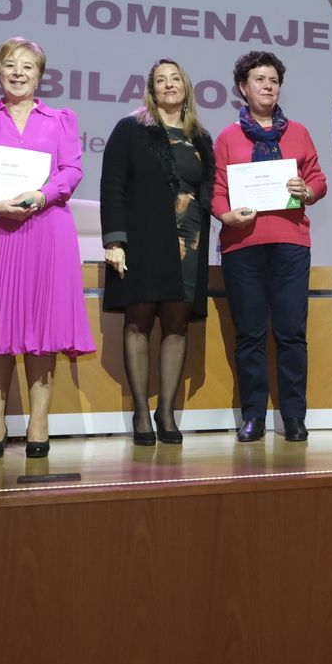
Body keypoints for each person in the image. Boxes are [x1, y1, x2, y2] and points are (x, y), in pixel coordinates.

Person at [0, 38, 94, 459]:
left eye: (28, 66)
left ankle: (39, 421)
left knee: (42, 331)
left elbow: (71, 170)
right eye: (10, 65)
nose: (18, 72)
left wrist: (41, 196)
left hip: (46, 229)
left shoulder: (61, 120)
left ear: (40, 75)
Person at [212, 51, 328, 442]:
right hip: (242, 246)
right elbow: (216, 191)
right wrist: (226, 216)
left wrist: (307, 190)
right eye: (259, 80)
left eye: (273, 80)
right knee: (250, 334)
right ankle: (254, 417)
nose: (267, 86)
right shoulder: (228, 137)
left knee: (292, 333)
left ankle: (294, 417)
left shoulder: (298, 132)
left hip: (291, 243)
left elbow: (318, 180)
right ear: (243, 88)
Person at [100, 59, 215, 446]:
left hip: (190, 242)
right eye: (160, 80)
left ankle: (165, 411)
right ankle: (139, 411)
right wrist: (114, 240)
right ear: (151, 89)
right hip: (143, 240)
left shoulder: (201, 137)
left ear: (186, 86)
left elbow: (209, 192)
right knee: (138, 322)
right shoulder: (131, 129)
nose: (169, 85)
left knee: (177, 325)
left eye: (175, 79)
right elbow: (112, 185)